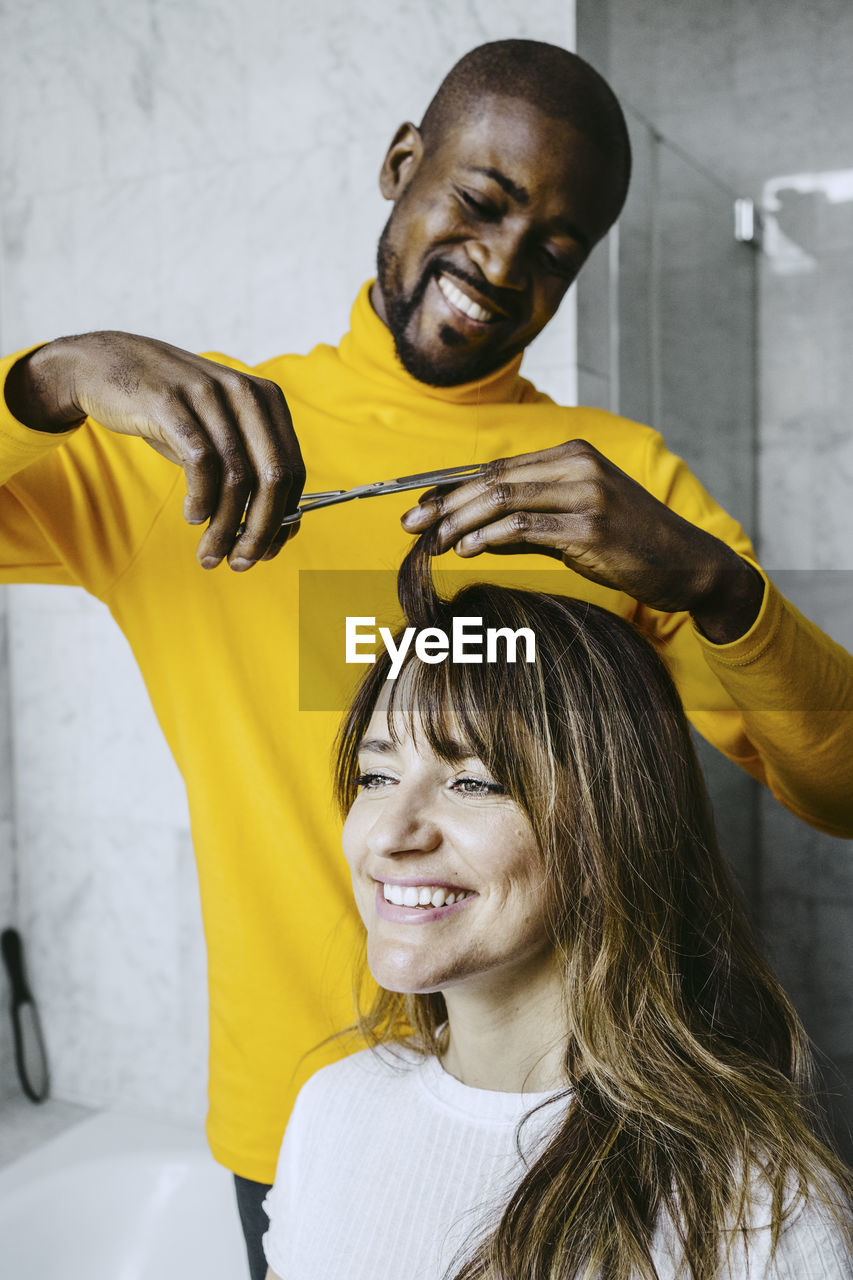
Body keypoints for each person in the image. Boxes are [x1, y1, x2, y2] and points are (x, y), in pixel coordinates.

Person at [0, 38, 851, 1278]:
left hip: (603, 1114)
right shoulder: (181, 451)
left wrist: (710, 583)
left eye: (556, 248)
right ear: (404, 162)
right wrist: (47, 378)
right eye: (481, 200)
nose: (504, 267)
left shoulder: (627, 484)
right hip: (302, 1107)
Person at [262, 539, 853, 1280]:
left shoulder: (761, 1208)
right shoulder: (333, 1109)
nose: (386, 833)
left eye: (473, 783)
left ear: (610, 827)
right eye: (376, 774)